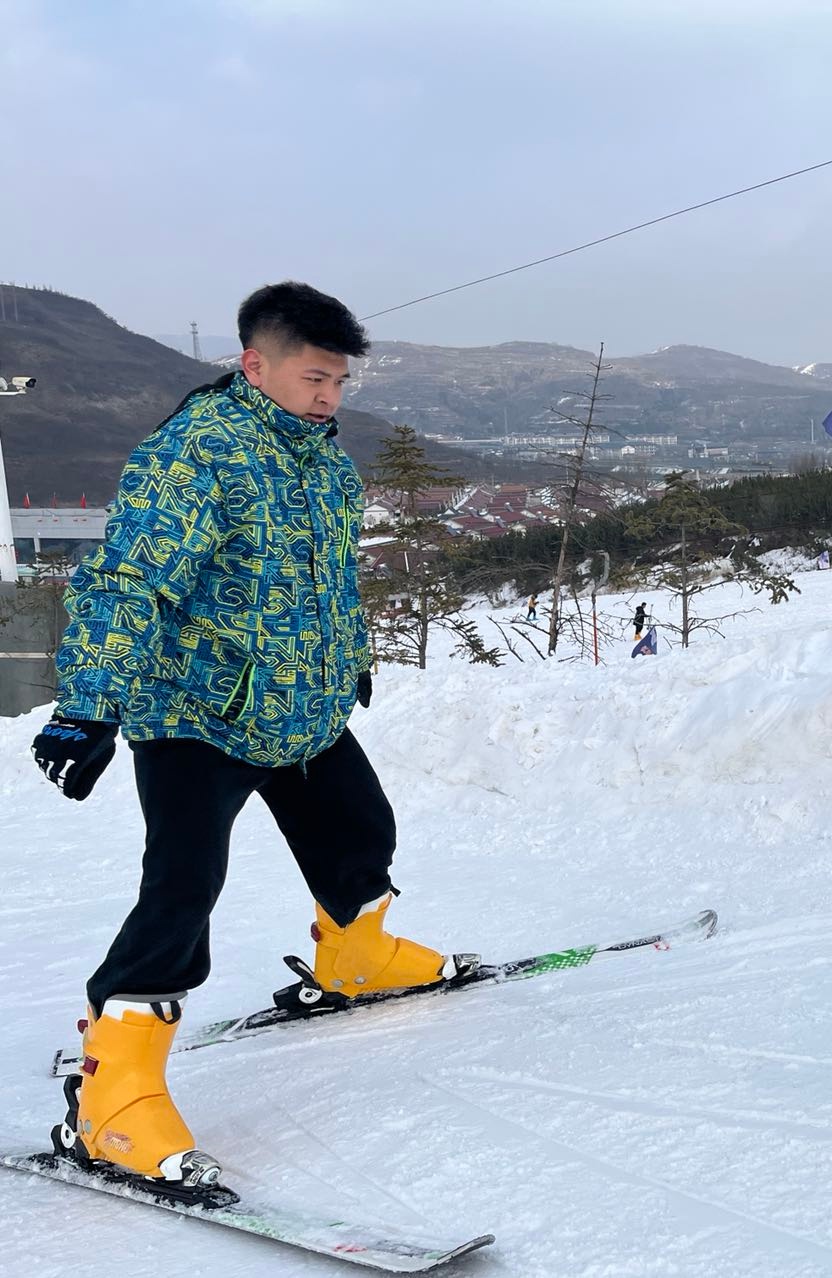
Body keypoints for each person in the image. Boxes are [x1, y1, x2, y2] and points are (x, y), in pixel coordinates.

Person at [29, 282, 461, 1193]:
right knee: (183, 890)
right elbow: (127, 581)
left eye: (340, 382)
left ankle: (357, 956)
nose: (329, 398)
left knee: (361, 832)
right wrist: (89, 706)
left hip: (300, 710)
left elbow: (326, 581)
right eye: (314, 378)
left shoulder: (322, 463)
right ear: (251, 364)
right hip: (197, 715)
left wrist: (347, 659)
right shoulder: (195, 455)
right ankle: (112, 1095)